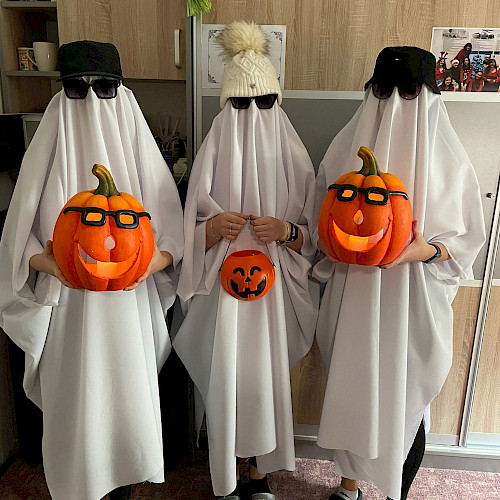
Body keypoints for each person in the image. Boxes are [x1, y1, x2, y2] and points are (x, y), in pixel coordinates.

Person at [0, 41, 184, 500]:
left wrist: (148, 263)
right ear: (62, 93)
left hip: (128, 309)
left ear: (120, 90)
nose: (90, 99)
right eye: (77, 89)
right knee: (79, 414)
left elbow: (173, 234)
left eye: (103, 88)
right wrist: (49, 263)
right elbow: (17, 238)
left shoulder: (137, 146)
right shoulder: (48, 146)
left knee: (125, 410)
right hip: (69, 314)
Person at [313, 46, 485, 500]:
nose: (393, 104)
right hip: (354, 296)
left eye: (408, 92)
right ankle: (348, 487)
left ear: (427, 95)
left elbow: (467, 238)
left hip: (414, 300)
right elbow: (322, 223)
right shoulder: (345, 148)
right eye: (384, 91)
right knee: (355, 392)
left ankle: (396, 492)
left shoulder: (448, 159)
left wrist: (423, 251)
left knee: (406, 395)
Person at [174, 21, 318, 500]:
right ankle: (227, 476)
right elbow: (186, 234)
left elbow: (318, 240)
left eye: (264, 102)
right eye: (240, 104)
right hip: (221, 294)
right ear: (226, 106)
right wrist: (213, 228)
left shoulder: (292, 153)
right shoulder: (215, 144)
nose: (253, 114)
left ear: (277, 101)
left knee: (262, 384)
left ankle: (260, 474)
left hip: (273, 294)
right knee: (227, 381)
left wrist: (288, 232)